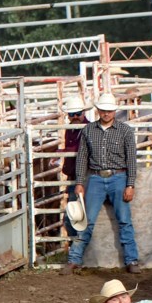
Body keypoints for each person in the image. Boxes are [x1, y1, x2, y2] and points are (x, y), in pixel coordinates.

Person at [61, 93, 141, 275]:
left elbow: (131, 160)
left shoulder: (125, 131)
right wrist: (80, 182)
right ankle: (74, 259)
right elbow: (82, 158)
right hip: (96, 177)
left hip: (118, 176)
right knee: (86, 221)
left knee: (124, 220)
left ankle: (132, 259)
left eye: (109, 110)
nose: (106, 113)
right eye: (103, 110)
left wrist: (130, 184)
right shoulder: (88, 131)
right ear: (98, 110)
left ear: (114, 111)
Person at [54, 96, 89, 237]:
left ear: (83, 113)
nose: (75, 117)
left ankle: (78, 248)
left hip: (84, 178)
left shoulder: (88, 129)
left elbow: (81, 149)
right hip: (73, 176)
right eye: (71, 114)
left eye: (78, 113)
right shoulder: (71, 129)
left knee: (73, 217)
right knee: (74, 215)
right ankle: (78, 247)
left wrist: (62, 152)